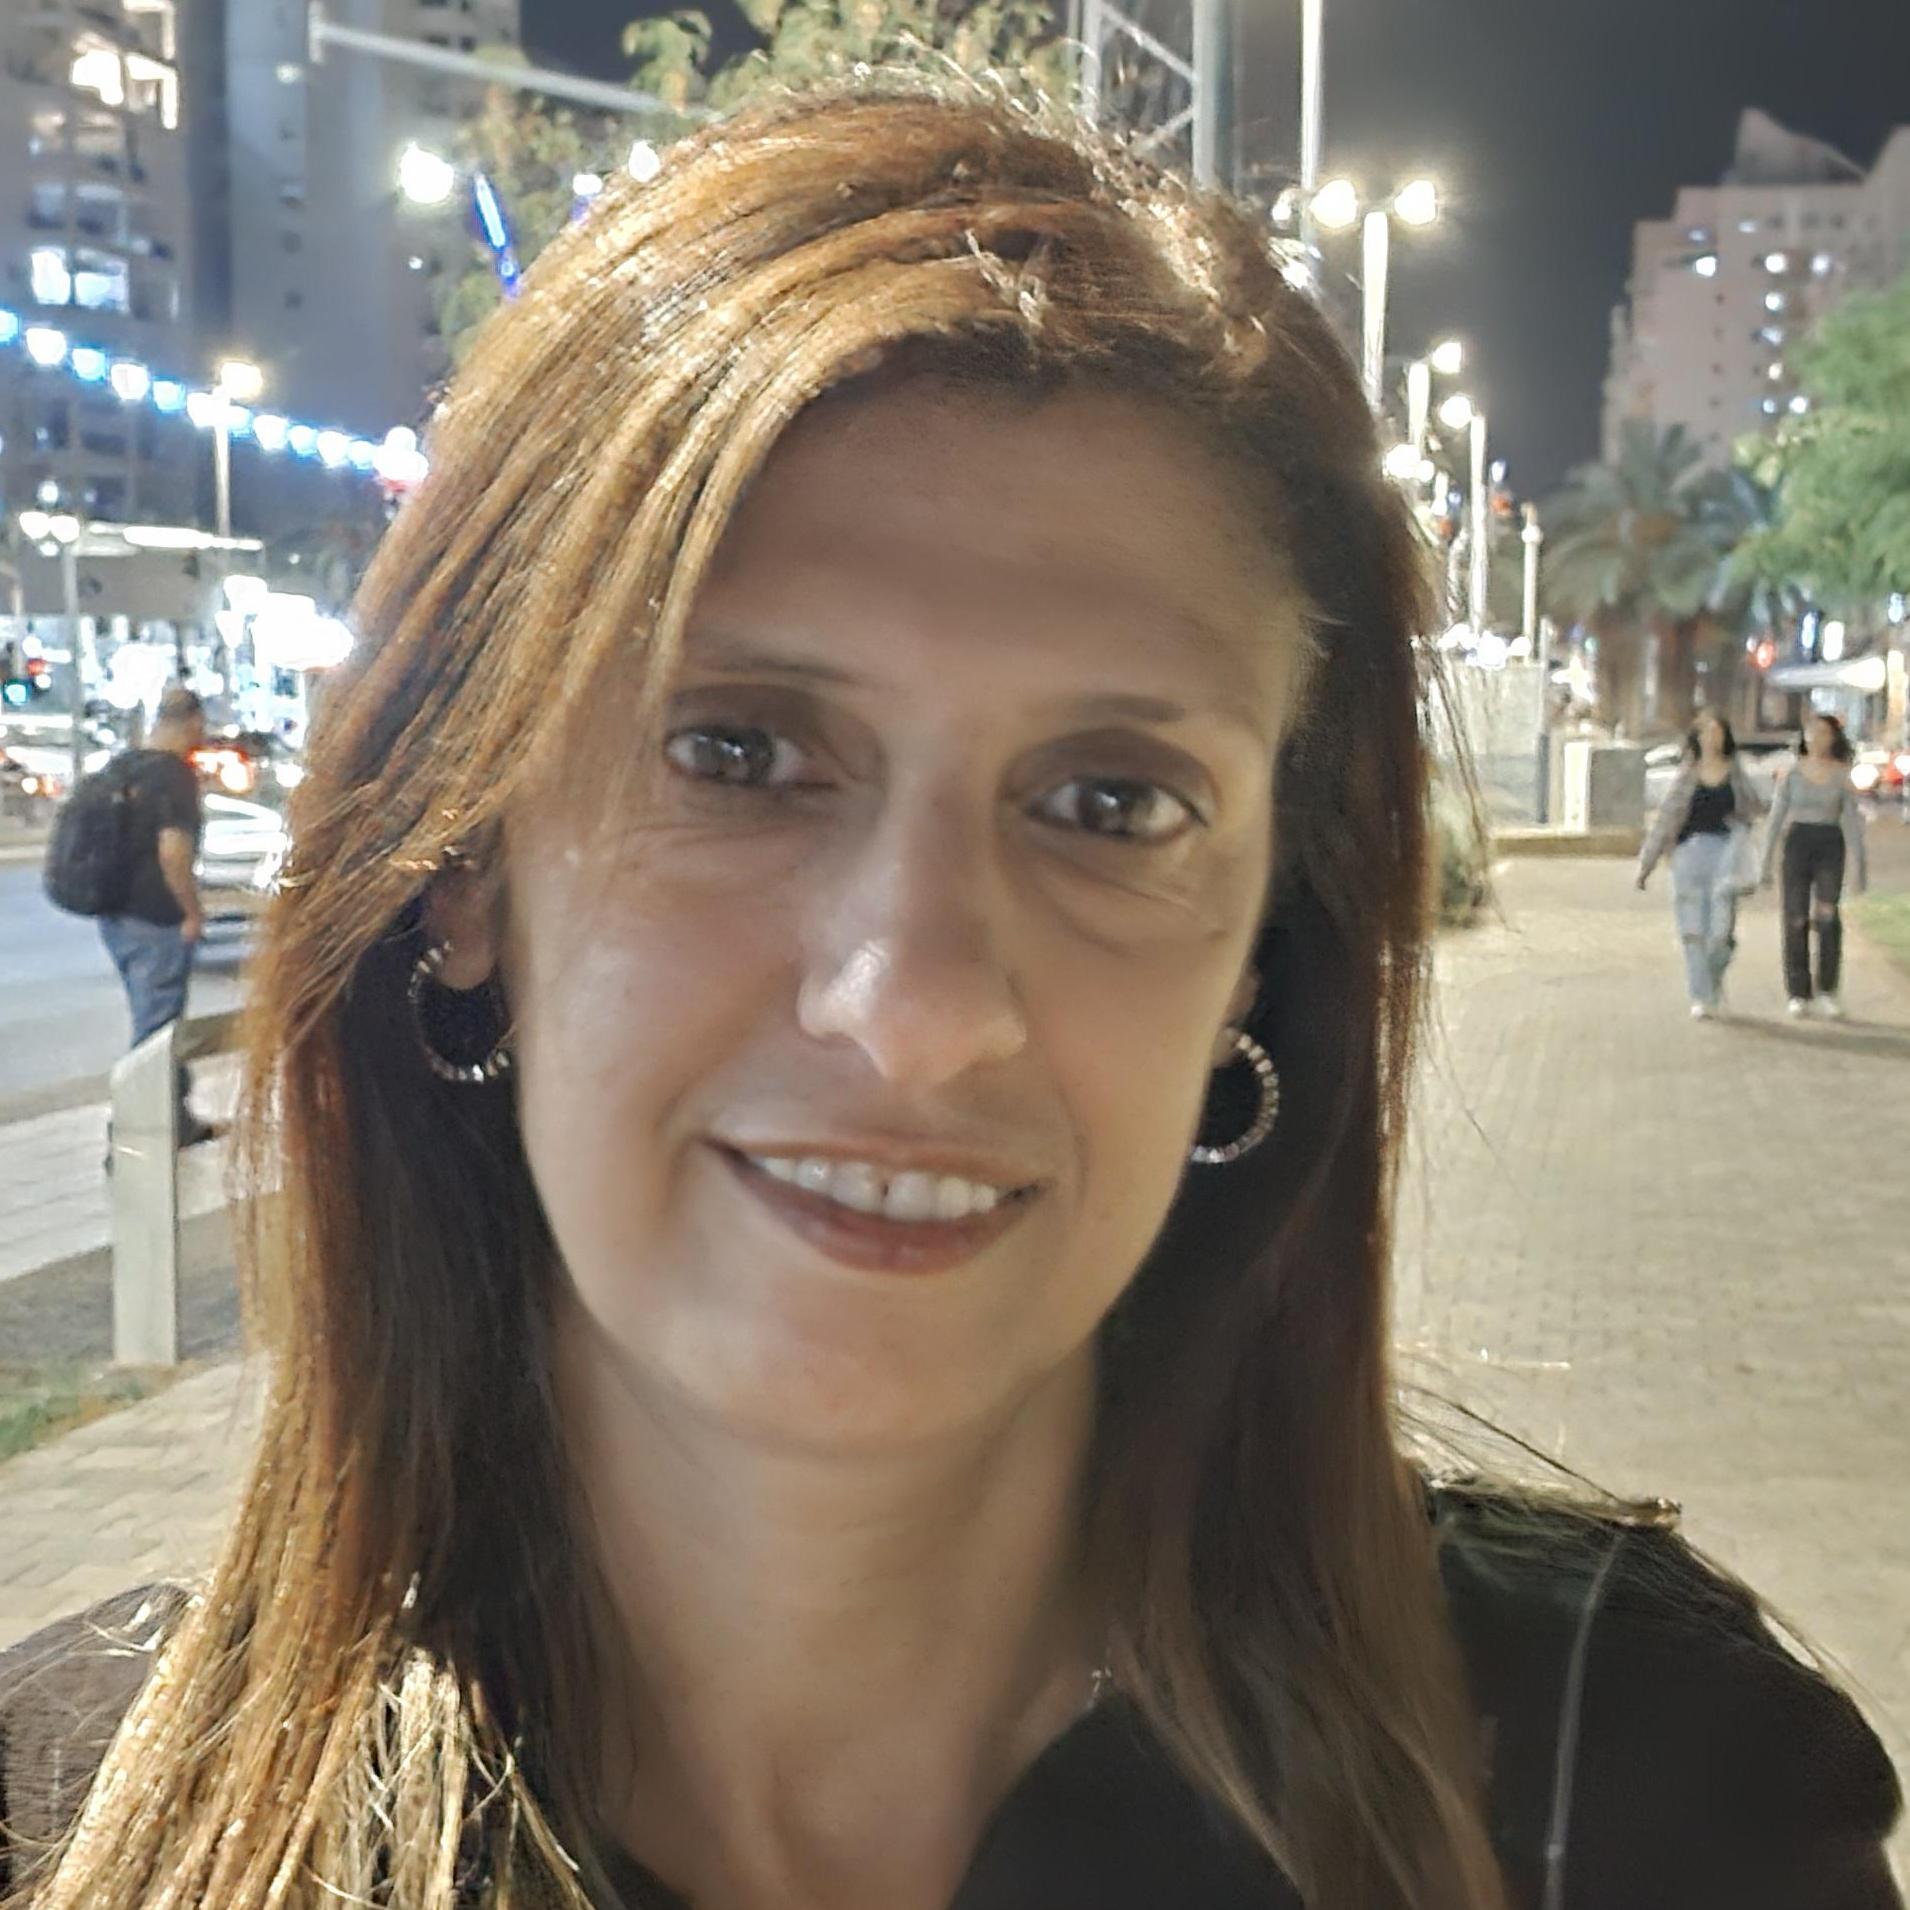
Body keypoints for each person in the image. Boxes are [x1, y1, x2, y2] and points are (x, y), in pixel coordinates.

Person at [1, 80, 1899, 1910]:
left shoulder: (1634, 1794)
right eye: (737, 752)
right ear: (467, 867)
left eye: (1111, 804)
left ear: (1260, 948)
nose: (911, 1003)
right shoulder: (71, 1832)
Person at [96, 683, 217, 1147]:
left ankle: (175, 1118)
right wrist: (191, 911)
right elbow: (173, 851)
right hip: (156, 918)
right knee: (157, 1033)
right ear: (193, 722)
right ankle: (132, 1132)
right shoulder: (173, 776)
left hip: (116, 915)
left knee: (156, 1022)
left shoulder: (124, 766)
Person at [1636, 712, 1768, 1020]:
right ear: (1696, 738)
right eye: (1706, 732)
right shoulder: (1687, 775)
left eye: (1717, 732)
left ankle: (1714, 980)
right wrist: (1647, 864)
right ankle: (1701, 995)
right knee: (1693, 930)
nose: (1712, 738)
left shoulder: (1735, 772)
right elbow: (1667, 819)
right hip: (1689, 855)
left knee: (1721, 933)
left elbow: (1754, 808)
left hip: (1726, 855)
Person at [1761, 712, 1868, 1018]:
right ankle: (1798, 991)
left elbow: (1852, 823)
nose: (1817, 738)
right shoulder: (1792, 774)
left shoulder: (1841, 775)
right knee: (1795, 918)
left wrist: (1860, 867)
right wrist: (1765, 862)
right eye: (1811, 732)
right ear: (1803, 738)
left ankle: (1827, 990)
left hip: (1829, 844)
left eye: (1823, 733)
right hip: (1798, 843)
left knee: (1827, 916)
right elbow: (1775, 818)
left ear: (1833, 739)